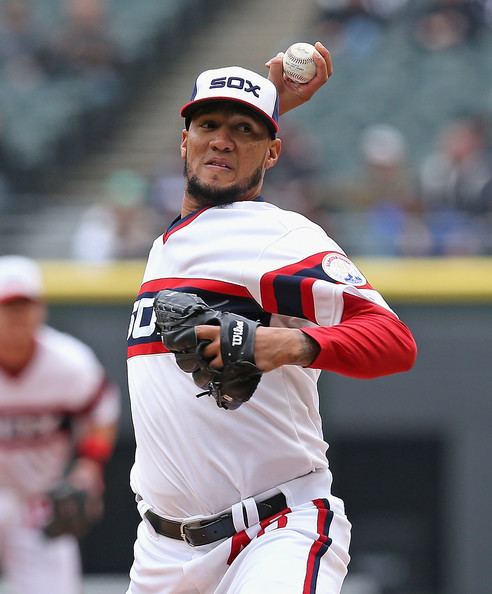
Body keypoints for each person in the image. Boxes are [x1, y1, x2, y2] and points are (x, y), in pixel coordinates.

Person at [126, 41, 417, 594]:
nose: (222, 140)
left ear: (274, 154)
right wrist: (265, 99)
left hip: (272, 530)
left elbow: (393, 340)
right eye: (209, 125)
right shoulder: (173, 241)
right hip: (163, 553)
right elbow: (225, 160)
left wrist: (290, 346)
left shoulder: (275, 234)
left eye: (245, 132)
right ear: (182, 141)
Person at [0, 255, 120, 594]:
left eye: (25, 306)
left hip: (37, 501)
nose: (18, 317)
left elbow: (102, 415)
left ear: (41, 309)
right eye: (9, 307)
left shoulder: (68, 363)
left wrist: (88, 465)